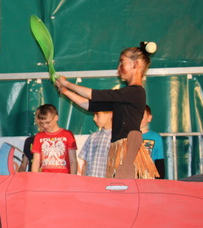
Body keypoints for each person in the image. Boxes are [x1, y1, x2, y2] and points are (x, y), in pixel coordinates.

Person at [55, 43, 159, 179]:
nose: (118, 67)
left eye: (122, 62)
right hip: (119, 149)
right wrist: (65, 91)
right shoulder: (125, 96)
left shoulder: (135, 92)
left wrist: (67, 84)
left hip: (128, 150)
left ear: (136, 64)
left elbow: (94, 95)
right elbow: (89, 104)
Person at [30, 104, 78, 174]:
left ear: (56, 118)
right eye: (42, 123)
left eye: (48, 122)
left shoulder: (68, 135)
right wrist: (34, 178)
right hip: (45, 177)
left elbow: (73, 161)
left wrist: (73, 178)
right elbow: (36, 162)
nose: (45, 126)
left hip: (64, 177)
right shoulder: (39, 136)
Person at [78, 111, 112, 177]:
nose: (94, 119)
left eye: (97, 115)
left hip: (107, 181)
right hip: (91, 179)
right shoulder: (93, 137)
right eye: (94, 115)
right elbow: (85, 163)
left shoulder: (118, 140)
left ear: (109, 115)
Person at [141, 105, 165, 179]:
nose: (138, 118)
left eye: (142, 115)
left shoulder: (156, 137)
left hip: (149, 178)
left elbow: (159, 161)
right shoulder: (127, 136)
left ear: (149, 118)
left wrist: (159, 181)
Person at [19, 107, 41, 172]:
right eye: (37, 117)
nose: (40, 120)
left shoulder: (57, 139)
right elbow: (23, 165)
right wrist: (19, 177)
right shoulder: (29, 140)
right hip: (32, 177)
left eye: (43, 117)